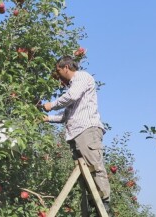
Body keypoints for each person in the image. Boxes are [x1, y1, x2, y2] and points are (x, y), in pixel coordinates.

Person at [43, 56, 111, 214]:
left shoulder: (82, 77)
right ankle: (93, 201)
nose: (58, 75)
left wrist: (51, 105)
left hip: (86, 130)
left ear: (66, 67)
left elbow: (71, 96)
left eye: (59, 71)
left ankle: (104, 203)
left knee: (94, 166)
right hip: (76, 134)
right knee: (85, 173)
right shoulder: (73, 88)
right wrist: (48, 118)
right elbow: (66, 116)